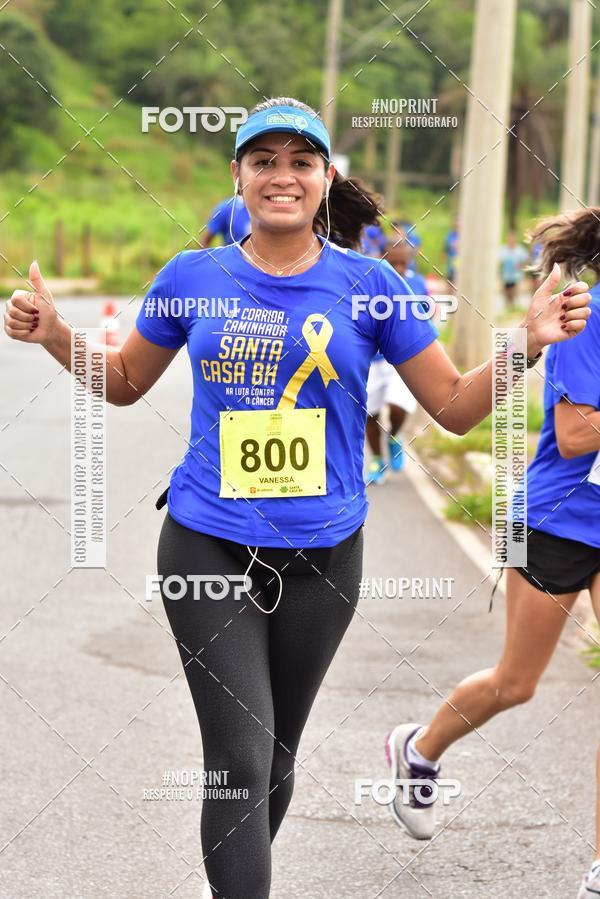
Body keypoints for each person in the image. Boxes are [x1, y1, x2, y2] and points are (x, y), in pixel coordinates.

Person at [3, 98, 591, 899]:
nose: (282, 176)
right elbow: (126, 381)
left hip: (324, 556)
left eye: (301, 161)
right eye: (264, 161)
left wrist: (525, 344)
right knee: (240, 757)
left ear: (324, 178)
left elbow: (454, 407)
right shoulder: (191, 277)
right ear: (237, 175)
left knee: (276, 757)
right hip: (207, 543)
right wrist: (55, 337)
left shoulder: (373, 286)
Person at [385, 207, 600, 899]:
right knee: (516, 683)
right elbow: (574, 433)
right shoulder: (585, 317)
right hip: (557, 521)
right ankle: (419, 750)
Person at [365, 241, 428, 484]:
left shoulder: (417, 283)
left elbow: (425, 316)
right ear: (383, 259)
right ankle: (377, 461)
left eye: (403, 263)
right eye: (394, 263)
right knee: (370, 414)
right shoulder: (370, 281)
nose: (399, 268)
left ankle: (394, 436)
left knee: (397, 407)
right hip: (372, 360)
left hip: (402, 360)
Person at [499, 230, 529, 308]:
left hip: (517, 276)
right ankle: (508, 307)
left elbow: (526, 261)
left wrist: (521, 266)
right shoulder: (503, 250)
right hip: (506, 276)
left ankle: (514, 306)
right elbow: (499, 262)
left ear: (515, 239)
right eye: (509, 239)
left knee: (514, 293)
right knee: (507, 294)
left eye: (512, 239)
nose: (511, 240)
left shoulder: (520, 250)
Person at [444, 217, 460, 288]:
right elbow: (445, 250)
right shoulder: (450, 235)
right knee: (450, 284)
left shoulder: (465, 235)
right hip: (451, 264)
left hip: (461, 264)